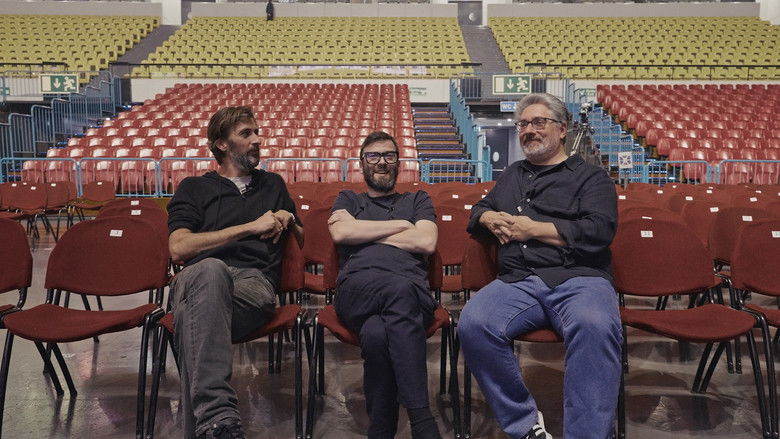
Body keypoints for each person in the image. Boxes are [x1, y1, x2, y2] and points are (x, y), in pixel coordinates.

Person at [457, 93, 621, 439]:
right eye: (523, 124)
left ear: (562, 129)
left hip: (579, 278)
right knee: (473, 323)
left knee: (595, 325)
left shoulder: (592, 178)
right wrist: (487, 217)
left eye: (538, 122)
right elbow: (478, 210)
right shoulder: (512, 175)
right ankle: (525, 425)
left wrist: (534, 229)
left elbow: (598, 231)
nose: (529, 130)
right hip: (519, 280)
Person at [167, 106, 303, 439]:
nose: (258, 140)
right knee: (210, 272)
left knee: (189, 318)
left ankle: (211, 422)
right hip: (197, 278)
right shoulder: (193, 188)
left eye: (257, 132)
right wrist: (248, 228)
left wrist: (287, 217)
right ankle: (218, 419)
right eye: (246, 134)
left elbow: (301, 240)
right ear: (222, 144)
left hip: (251, 283)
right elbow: (178, 248)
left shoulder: (273, 184)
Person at [327, 131, 442, 439]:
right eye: (373, 156)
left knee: (377, 334)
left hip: (412, 292)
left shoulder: (417, 199)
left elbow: (426, 241)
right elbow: (341, 234)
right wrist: (402, 226)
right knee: (397, 290)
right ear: (362, 163)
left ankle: (380, 431)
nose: (381, 162)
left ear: (398, 162)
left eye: (389, 155)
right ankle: (422, 421)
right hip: (357, 290)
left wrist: (364, 231)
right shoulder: (349, 199)